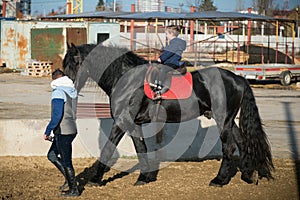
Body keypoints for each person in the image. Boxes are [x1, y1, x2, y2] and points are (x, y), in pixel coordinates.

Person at [44, 68, 79, 197]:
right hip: (71, 129)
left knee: (66, 161)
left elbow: (57, 115)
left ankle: (74, 190)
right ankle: (69, 181)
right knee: (52, 155)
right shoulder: (72, 91)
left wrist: (48, 130)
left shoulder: (58, 92)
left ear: (55, 80)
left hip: (63, 131)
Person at [154, 25, 186, 100]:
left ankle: (160, 87)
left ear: (171, 34)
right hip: (170, 61)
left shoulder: (175, 43)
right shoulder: (174, 43)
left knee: (163, 70)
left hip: (172, 62)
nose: (166, 36)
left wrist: (161, 59)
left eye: (167, 34)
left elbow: (169, 52)